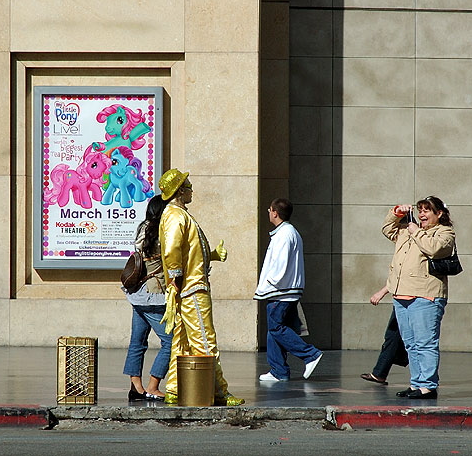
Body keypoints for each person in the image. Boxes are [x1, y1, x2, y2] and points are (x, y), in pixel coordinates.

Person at [157, 168, 245, 406]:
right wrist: (175, 277)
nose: (192, 190)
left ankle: (174, 389)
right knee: (205, 341)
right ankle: (219, 392)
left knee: (182, 342)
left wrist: (213, 254)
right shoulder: (176, 216)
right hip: (192, 288)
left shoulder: (177, 215)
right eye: (188, 186)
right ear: (180, 191)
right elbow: (172, 250)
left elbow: (188, 251)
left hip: (187, 286)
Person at [382, 196, 455, 399]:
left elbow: (434, 249)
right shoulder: (406, 230)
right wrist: (396, 213)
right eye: (420, 210)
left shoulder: (444, 233)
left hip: (426, 296)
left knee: (425, 342)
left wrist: (417, 231)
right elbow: (388, 230)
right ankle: (416, 383)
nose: (422, 214)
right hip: (401, 294)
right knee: (410, 343)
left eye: (427, 210)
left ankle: (428, 386)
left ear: (439, 214)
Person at [254, 198, 323, 382]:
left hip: (280, 290)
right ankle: (279, 370)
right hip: (282, 290)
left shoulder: (285, 234)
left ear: (275, 213)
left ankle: (310, 354)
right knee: (274, 328)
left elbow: (280, 264)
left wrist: (271, 281)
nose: (268, 212)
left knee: (276, 328)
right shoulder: (285, 233)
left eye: (270, 210)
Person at [122, 195, 173, 401]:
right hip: (154, 295)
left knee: (138, 341)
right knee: (170, 341)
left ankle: (136, 386)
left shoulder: (143, 229)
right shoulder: (163, 233)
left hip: (138, 293)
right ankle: (153, 385)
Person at [360, 285, 408, 385]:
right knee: (393, 336)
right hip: (403, 298)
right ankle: (379, 373)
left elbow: (400, 277)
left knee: (420, 342)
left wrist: (381, 292)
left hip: (413, 299)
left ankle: (425, 381)